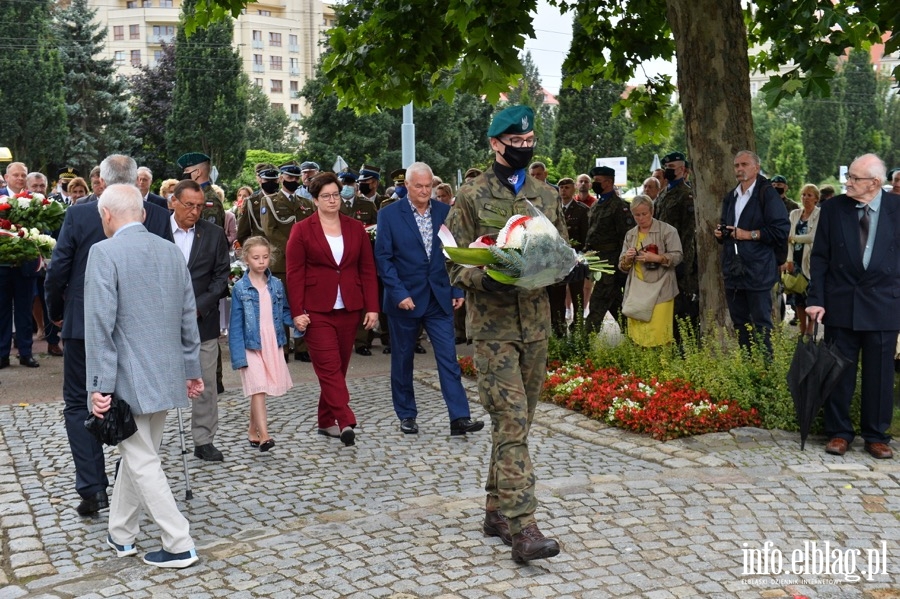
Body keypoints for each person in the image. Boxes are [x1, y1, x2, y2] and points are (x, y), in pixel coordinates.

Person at [446, 105, 564, 564]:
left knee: (519, 421)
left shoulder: (547, 195)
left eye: (530, 139)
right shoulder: (471, 196)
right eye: (516, 142)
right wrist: (486, 278)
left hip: (535, 326)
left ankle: (495, 509)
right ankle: (524, 526)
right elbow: (453, 262)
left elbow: (560, 250)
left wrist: (556, 267)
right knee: (511, 420)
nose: (525, 147)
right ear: (496, 144)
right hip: (493, 329)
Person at [45, 154, 173, 517]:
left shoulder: (80, 213)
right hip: (137, 328)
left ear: (100, 181)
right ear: (137, 181)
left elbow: (58, 270)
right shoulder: (159, 217)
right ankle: (123, 482)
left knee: (78, 403)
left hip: (84, 325)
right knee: (132, 403)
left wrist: (56, 313)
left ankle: (92, 488)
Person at [85, 184, 201, 569]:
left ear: (106, 216)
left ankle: (179, 541)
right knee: (140, 457)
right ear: (145, 214)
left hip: (126, 381)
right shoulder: (170, 252)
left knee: (142, 461)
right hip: (166, 375)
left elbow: (99, 325)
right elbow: (189, 318)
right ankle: (121, 534)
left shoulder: (103, 252)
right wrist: (191, 370)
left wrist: (98, 387)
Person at [374, 161, 484, 436]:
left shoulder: (446, 212)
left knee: (449, 358)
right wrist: (399, 294)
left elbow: (454, 254)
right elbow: (384, 260)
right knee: (403, 359)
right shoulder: (388, 215)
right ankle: (407, 414)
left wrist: (457, 289)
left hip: (439, 297)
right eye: (419, 186)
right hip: (404, 299)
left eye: (428, 186)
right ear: (407, 186)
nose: (424, 191)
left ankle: (459, 417)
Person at [807, 153, 898, 460]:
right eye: (849, 177)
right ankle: (839, 432)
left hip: (885, 306)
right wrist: (815, 300)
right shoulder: (833, 209)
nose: (847, 182)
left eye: (854, 178)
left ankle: (876, 435)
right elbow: (819, 257)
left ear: (874, 183)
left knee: (881, 376)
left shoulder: (897, 209)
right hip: (841, 304)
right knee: (838, 373)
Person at [285, 172, 379, 447]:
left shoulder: (355, 227)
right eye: (325, 196)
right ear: (314, 200)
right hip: (316, 310)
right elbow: (294, 273)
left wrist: (372, 307)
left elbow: (367, 269)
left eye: (336, 195)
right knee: (328, 368)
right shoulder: (302, 229)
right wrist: (297, 311)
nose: (332, 200)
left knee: (339, 368)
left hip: (349, 307)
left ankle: (325, 421)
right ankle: (345, 419)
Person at [170, 179, 230, 462]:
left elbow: (221, 277)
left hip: (201, 320)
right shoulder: (155, 232)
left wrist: (198, 307)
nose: (194, 212)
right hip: (160, 322)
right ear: (174, 202)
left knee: (204, 380)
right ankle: (146, 439)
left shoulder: (214, 234)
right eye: (188, 205)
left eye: (199, 206)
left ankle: (204, 439)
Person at [230, 236, 304, 452]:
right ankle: (265, 435)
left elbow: (285, 312)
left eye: (265, 257)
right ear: (246, 259)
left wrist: (299, 323)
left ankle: (252, 430)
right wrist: (238, 357)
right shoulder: (240, 289)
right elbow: (235, 324)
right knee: (259, 388)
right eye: (256, 258)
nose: (261, 262)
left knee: (258, 389)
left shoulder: (277, 285)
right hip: (250, 344)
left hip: (272, 341)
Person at [715, 150, 790, 354]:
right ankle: (749, 370)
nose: (739, 169)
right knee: (740, 324)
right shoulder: (731, 196)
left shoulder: (767, 194)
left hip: (758, 270)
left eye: (744, 164)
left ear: (756, 168)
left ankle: (765, 373)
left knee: (761, 325)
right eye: (736, 165)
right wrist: (721, 233)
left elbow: (781, 230)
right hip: (734, 269)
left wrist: (749, 235)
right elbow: (727, 226)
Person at [618, 195, 683, 346]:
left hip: (661, 290)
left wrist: (658, 258)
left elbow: (678, 256)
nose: (641, 218)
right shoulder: (630, 234)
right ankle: (641, 366)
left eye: (644, 214)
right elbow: (622, 266)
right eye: (636, 215)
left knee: (660, 334)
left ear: (652, 211)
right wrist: (627, 258)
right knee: (638, 336)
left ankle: (662, 365)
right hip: (637, 289)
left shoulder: (667, 230)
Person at [654, 151, 699, 341]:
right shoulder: (663, 194)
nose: (667, 171)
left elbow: (689, 234)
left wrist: (683, 264)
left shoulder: (687, 195)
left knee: (682, 307)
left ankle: (685, 347)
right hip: (661, 258)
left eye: (671, 168)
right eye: (666, 168)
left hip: (679, 259)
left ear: (683, 170)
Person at [584, 165, 635, 332]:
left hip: (611, 264)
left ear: (609, 182)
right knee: (615, 303)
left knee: (597, 304)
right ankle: (635, 337)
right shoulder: (596, 205)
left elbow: (626, 238)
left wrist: (622, 267)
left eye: (597, 181)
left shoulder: (620, 207)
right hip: (597, 261)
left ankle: (584, 344)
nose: (594, 184)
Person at [0, 161, 40, 370]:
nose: (20, 178)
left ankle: (26, 353)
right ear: (6, 177)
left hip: (25, 263)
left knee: (25, 311)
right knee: (2, 310)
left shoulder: (35, 200)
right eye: (15, 175)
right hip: (2, 264)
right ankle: (2, 354)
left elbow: (43, 229)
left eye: (23, 175)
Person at [547, 177, 589, 336]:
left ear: (574, 190)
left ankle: (577, 329)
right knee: (557, 297)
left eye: (567, 187)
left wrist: (582, 257)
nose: (564, 190)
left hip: (576, 260)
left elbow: (586, 237)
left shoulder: (582, 210)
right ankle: (558, 329)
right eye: (561, 187)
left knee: (577, 295)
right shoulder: (553, 210)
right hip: (556, 261)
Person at [785, 184, 821, 336]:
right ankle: (802, 329)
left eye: (809, 195)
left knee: (811, 296)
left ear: (816, 199)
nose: (806, 198)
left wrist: (793, 239)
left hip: (811, 261)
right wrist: (789, 259)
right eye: (804, 195)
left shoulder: (819, 214)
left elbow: (813, 237)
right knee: (797, 297)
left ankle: (811, 330)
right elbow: (787, 238)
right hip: (796, 260)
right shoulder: (794, 214)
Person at [176, 152, 225, 228]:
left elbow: (211, 233)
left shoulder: (210, 200)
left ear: (197, 172)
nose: (184, 174)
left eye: (186, 170)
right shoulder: (200, 195)